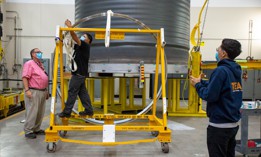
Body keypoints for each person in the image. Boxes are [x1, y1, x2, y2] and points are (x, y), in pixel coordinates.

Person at [190, 38, 242, 157]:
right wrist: (201, 82)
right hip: (232, 125)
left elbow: (210, 95)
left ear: (224, 53)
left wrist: (197, 85)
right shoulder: (235, 69)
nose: (217, 51)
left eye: (218, 48)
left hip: (219, 127)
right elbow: (222, 88)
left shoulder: (220, 70)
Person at [58, 19, 93, 118]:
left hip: (78, 74)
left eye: (84, 36)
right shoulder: (79, 47)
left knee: (72, 92)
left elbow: (74, 36)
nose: (82, 37)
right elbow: (70, 43)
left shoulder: (85, 45)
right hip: (81, 74)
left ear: (88, 40)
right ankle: (89, 110)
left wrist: (70, 27)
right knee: (82, 93)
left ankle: (67, 112)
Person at [22, 48, 49, 139]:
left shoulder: (40, 65)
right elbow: (25, 77)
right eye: (38, 52)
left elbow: (43, 78)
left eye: (40, 52)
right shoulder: (29, 63)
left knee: (40, 112)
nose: (40, 53)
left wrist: (46, 91)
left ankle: (36, 128)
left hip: (42, 91)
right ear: (33, 54)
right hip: (33, 91)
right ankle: (28, 130)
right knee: (32, 111)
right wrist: (27, 90)